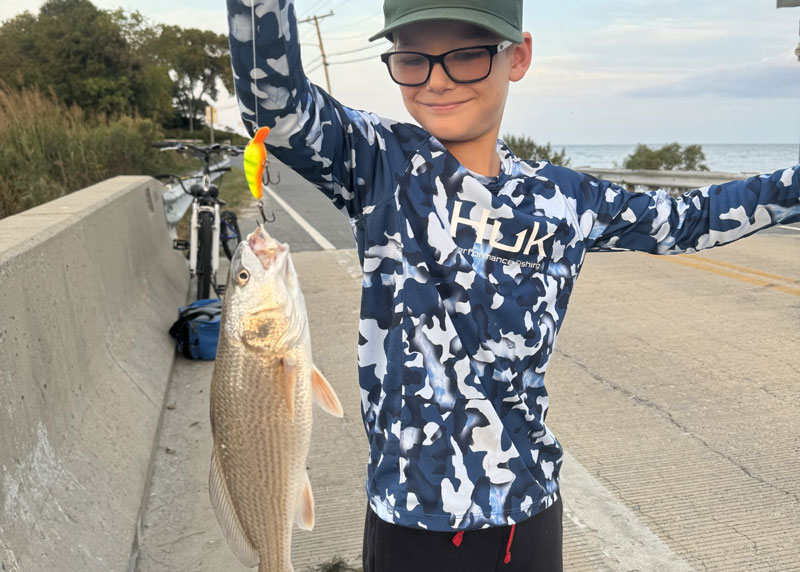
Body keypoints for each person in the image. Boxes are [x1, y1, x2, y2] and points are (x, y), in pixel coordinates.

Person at [225, 1, 800, 570]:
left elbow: (688, 219)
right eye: (412, 60)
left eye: (468, 56)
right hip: (407, 521)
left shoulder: (566, 200)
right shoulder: (378, 164)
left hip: (526, 517)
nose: (437, 80)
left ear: (517, 57)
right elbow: (272, 100)